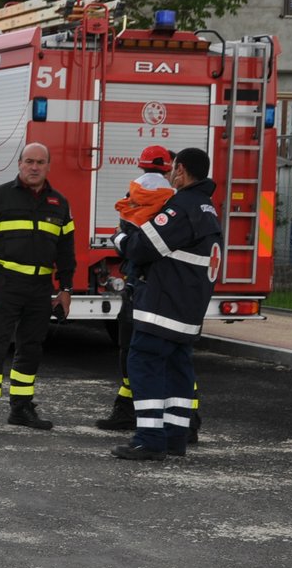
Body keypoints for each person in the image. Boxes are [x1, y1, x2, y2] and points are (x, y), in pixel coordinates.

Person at [109, 147, 222, 460]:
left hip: (164, 307)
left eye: (173, 169)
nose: (171, 174)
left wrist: (119, 238)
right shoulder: (207, 207)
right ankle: (174, 437)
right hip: (187, 309)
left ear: (182, 170)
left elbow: (141, 247)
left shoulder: (181, 207)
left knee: (143, 364)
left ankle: (149, 439)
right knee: (177, 370)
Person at [0, 141, 76, 433]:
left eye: (40, 162)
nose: (34, 167)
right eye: (29, 161)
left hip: (40, 288)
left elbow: (66, 251)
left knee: (31, 348)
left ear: (48, 166)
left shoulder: (60, 203)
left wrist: (65, 289)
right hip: (6, 285)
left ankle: (21, 409)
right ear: (20, 164)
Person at [95, 145, 176, 432]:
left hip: (136, 283)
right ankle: (183, 420)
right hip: (168, 286)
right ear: (170, 169)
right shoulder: (175, 201)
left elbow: (125, 238)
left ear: (141, 167)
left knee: (132, 350)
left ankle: (129, 412)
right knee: (173, 354)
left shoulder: (132, 197)